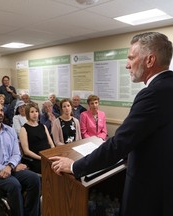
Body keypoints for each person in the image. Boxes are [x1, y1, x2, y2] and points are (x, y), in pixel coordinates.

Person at [49, 32, 173, 216]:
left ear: (150, 60)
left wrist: (75, 167)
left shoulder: (153, 94)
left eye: (131, 57)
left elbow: (119, 144)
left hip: (151, 193)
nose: (127, 65)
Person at [0, 101, 41, 216]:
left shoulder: (10, 131)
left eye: (1, 110)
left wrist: (10, 166)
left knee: (34, 179)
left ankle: (31, 214)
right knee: (14, 184)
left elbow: (16, 154)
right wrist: (8, 168)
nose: (0, 113)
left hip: (11, 168)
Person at [19, 103, 55, 174]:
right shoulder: (24, 129)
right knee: (50, 170)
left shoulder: (43, 126)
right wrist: (41, 158)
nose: (35, 114)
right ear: (27, 114)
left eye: (36, 111)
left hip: (48, 156)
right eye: (32, 112)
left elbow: (51, 144)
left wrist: (52, 154)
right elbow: (26, 151)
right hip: (35, 159)